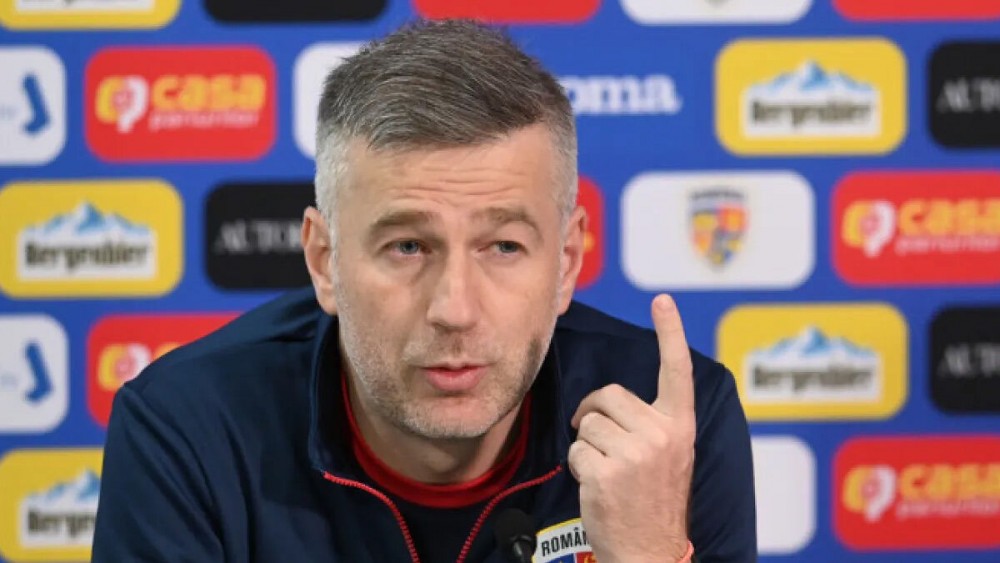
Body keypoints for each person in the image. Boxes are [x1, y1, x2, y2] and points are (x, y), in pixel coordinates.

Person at [92, 19, 756, 563]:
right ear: (324, 261)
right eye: (408, 246)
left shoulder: (673, 425)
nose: (455, 310)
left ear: (566, 261)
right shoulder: (188, 426)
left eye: (503, 247)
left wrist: (647, 553)